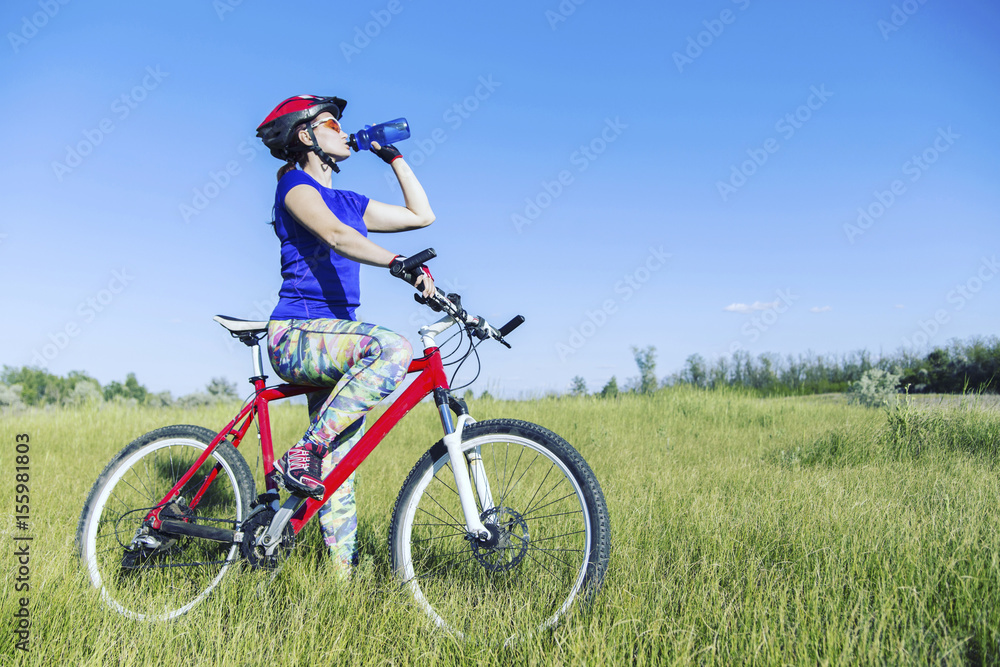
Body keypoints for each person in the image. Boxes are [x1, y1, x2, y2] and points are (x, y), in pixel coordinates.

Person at [255, 94, 435, 573]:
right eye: (331, 123)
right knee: (392, 347)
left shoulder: (351, 201)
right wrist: (396, 262)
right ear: (305, 135)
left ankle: (341, 586)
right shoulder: (295, 186)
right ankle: (305, 450)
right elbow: (338, 237)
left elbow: (421, 216)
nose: (342, 130)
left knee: (339, 472)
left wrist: (391, 155)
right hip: (295, 334)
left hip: (334, 340)